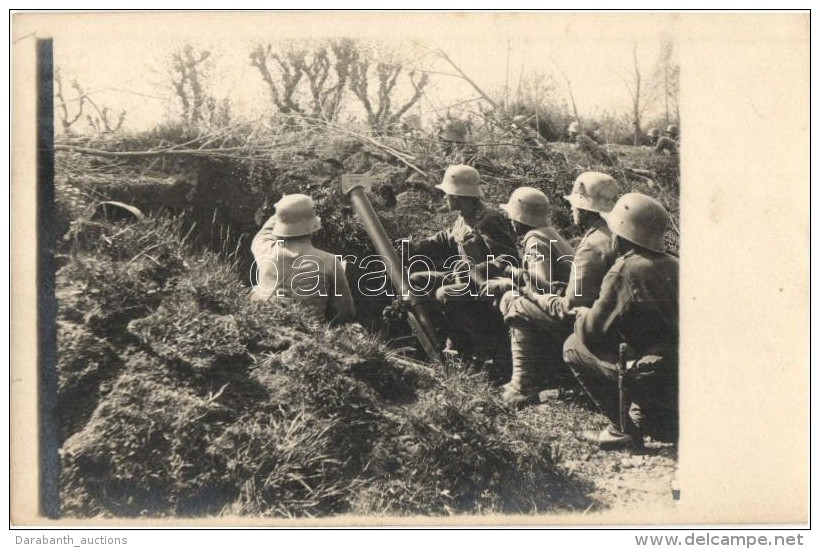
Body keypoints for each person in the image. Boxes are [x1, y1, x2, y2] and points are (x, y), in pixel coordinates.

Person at [563, 193, 678, 450]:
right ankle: (646, 417)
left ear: (621, 234)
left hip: (653, 380)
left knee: (573, 346)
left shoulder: (625, 270)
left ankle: (621, 430)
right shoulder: (675, 263)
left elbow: (591, 332)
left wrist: (584, 316)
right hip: (676, 385)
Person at [498, 172, 620, 406]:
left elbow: (568, 308)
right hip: (606, 322)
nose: (572, 210)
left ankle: (522, 386)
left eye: (574, 205)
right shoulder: (608, 236)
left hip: (590, 328)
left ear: (583, 209)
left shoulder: (591, 246)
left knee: (515, 302)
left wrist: (528, 292)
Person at [406, 164, 518, 357]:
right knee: (417, 280)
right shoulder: (464, 217)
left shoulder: (489, 219)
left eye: (447, 194)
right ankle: (440, 339)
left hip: (486, 287)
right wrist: (414, 247)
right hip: (466, 280)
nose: (444, 197)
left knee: (445, 293)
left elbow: (508, 259)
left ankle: (476, 346)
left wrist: (476, 270)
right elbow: (445, 239)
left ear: (456, 196)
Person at [251, 193, 355, 325]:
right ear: (313, 227)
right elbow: (345, 313)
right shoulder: (330, 261)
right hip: (307, 332)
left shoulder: (266, 250)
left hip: (261, 324)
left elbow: (264, 233)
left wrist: (286, 206)